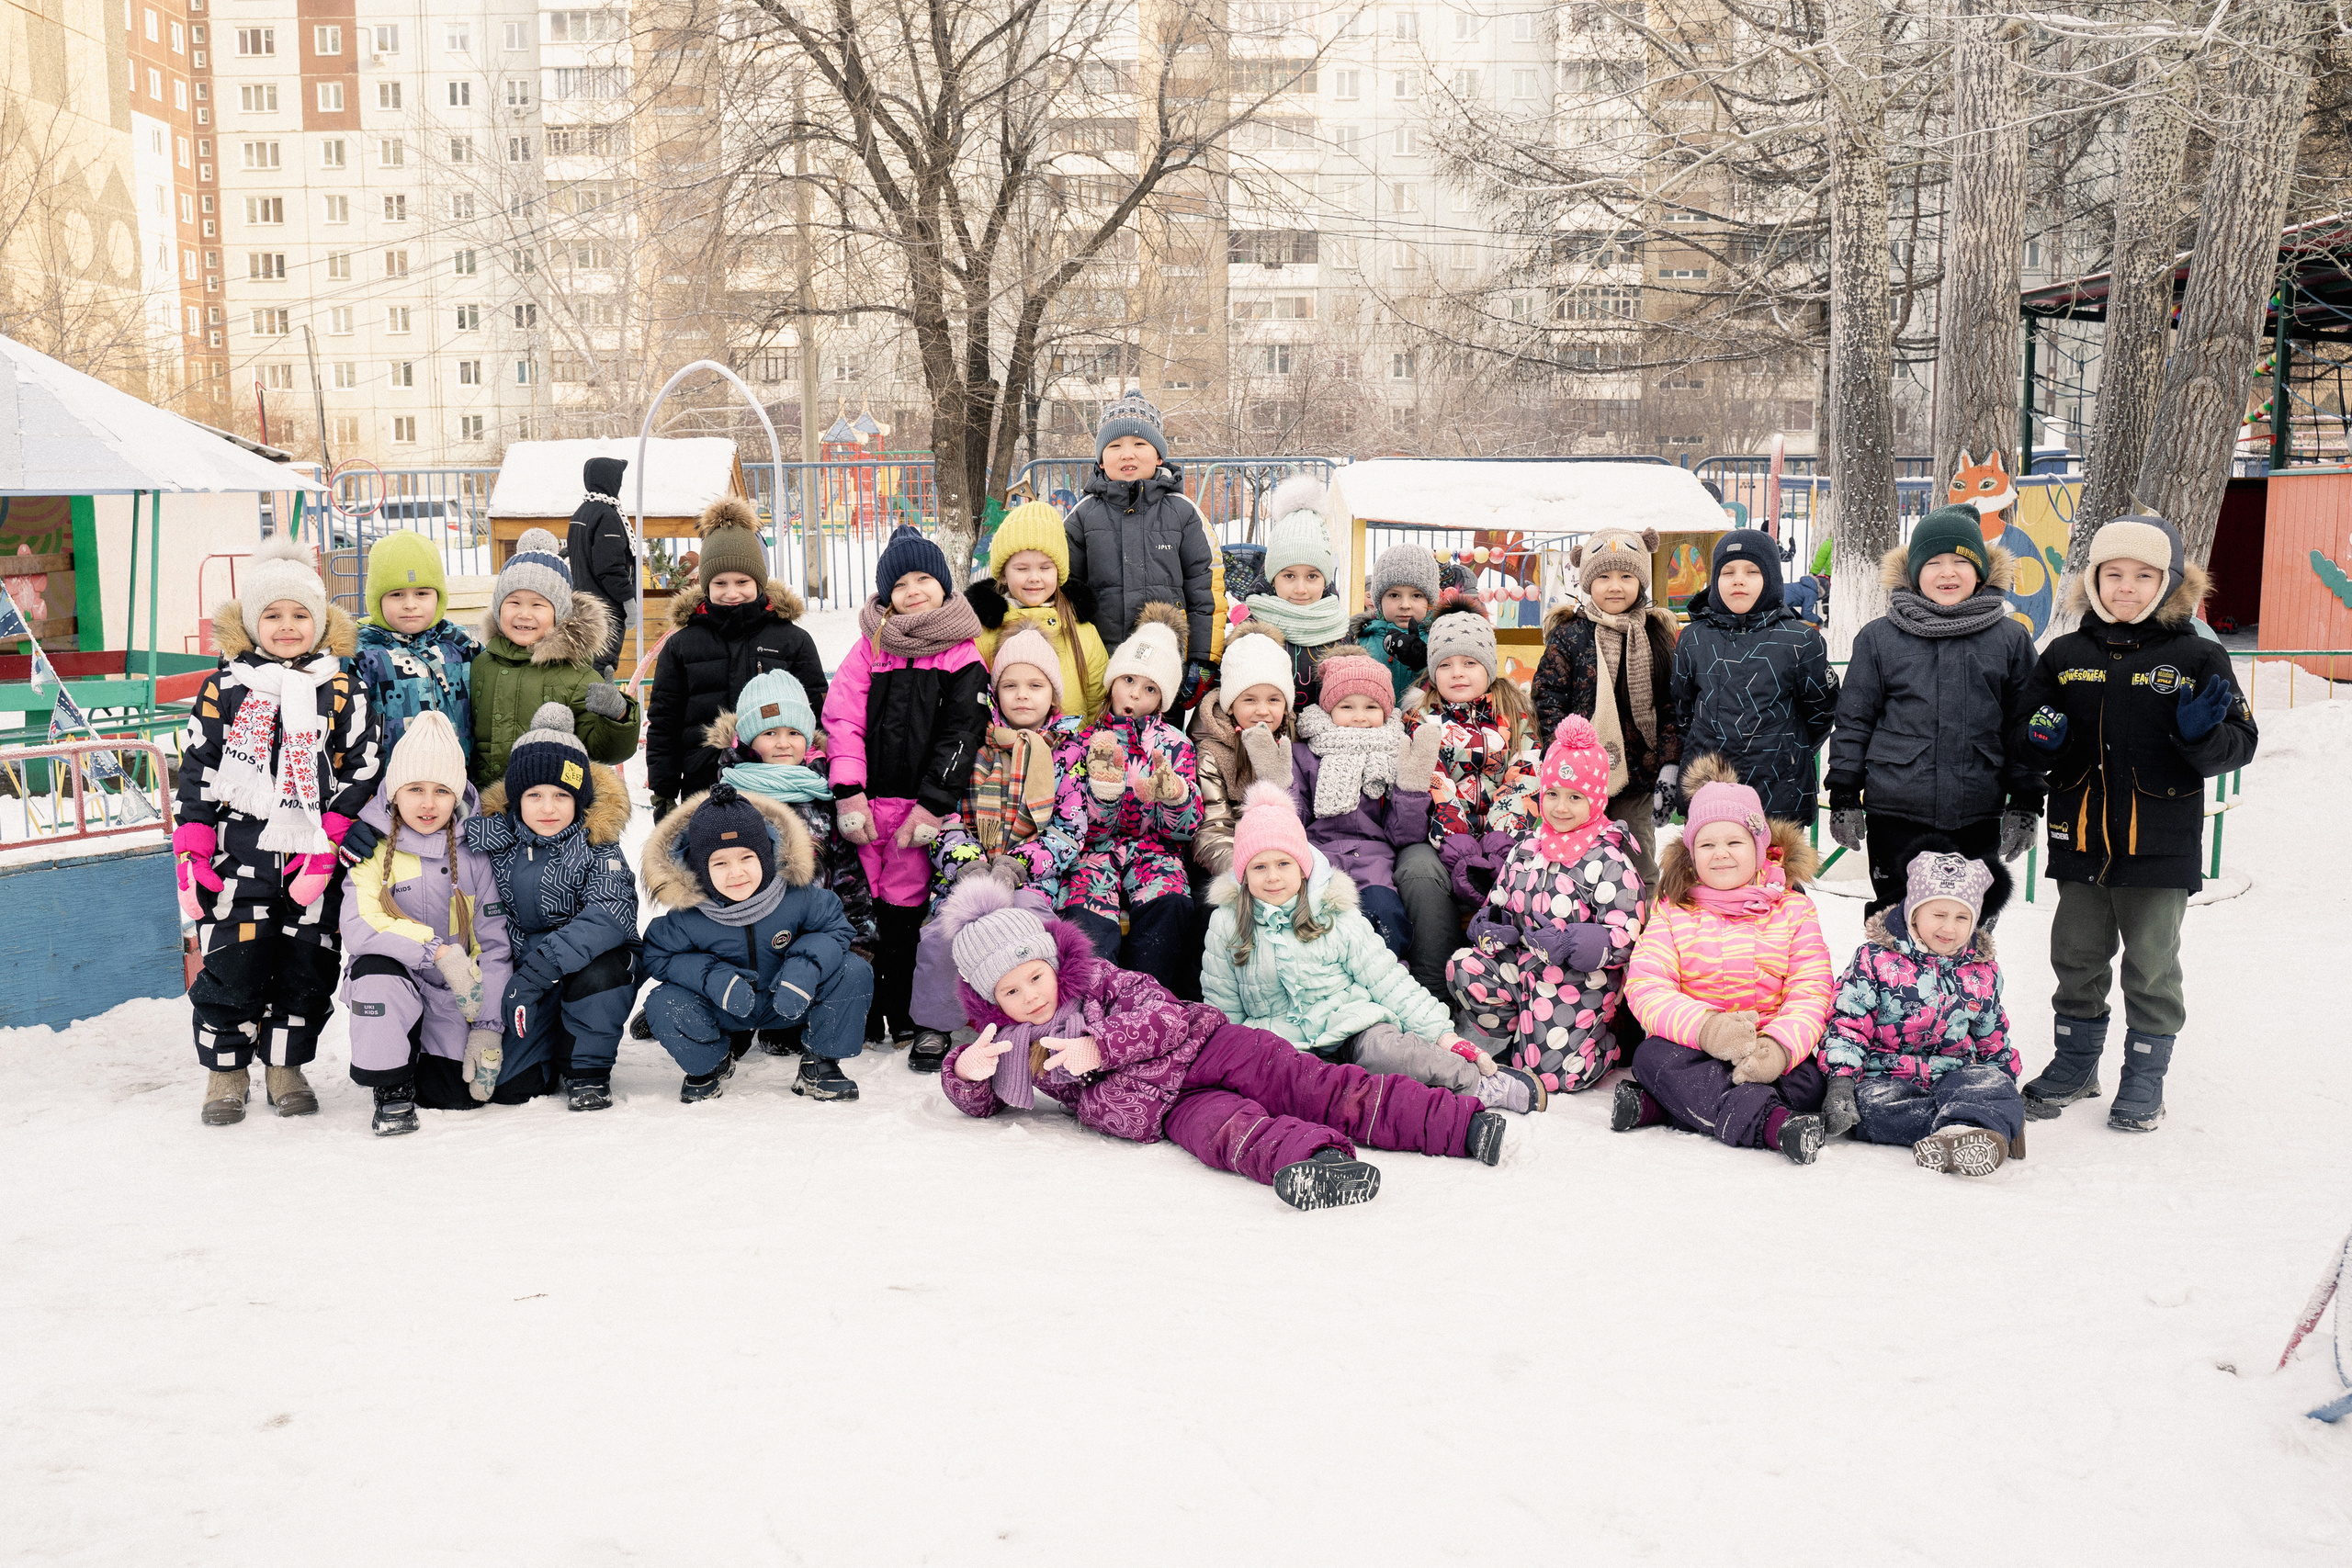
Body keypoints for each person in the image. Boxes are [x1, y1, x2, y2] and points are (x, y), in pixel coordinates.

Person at [931, 877, 1510, 1211]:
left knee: (1322, 1088)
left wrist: (1101, 1046)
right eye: (1010, 991)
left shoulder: (1102, 981)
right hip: (1166, 1108)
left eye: (1035, 975)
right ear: (990, 1001)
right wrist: (968, 1071)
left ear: (1053, 960)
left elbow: (1167, 1015)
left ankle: (1459, 1125)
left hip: (1213, 1048)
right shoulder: (1010, 1046)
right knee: (1230, 1136)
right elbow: (982, 1101)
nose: (1030, 996)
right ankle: (1320, 1164)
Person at [2010, 513, 2257, 1133]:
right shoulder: (2065, 654)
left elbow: (2241, 741)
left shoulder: (2199, 654)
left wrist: (2202, 736)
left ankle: (2145, 1078)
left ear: (2169, 583)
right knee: (2076, 956)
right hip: (2082, 838)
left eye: (2143, 576)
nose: (2126, 587)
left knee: (2151, 965)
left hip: (2159, 844)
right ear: (2092, 581)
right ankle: (2075, 1064)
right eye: (2112, 574)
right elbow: (2025, 732)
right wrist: (2041, 739)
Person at [175, 537, 383, 1126]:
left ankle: (285, 1066)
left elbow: (362, 764)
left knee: (305, 963)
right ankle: (226, 1069)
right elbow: (199, 768)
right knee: (233, 962)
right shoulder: (224, 687)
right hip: (236, 851)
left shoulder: (341, 687)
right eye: (272, 615)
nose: (287, 626)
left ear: (318, 623)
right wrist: (193, 843)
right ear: (251, 621)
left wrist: (331, 838)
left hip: (312, 852)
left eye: (300, 615)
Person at [1206, 782, 1541, 1112]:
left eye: (1284, 864)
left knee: (1392, 1052)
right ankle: (1398, 1108)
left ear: (1303, 868)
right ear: (1242, 875)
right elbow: (1223, 1006)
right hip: (1284, 1042)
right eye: (1259, 867)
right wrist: (1231, 1059)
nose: (1273, 878)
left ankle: (1478, 1082)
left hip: (1354, 1025)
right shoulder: (1227, 926)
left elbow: (1387, 980)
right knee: (1298, 1084)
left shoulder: (1334, 914)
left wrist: (1443, 1035)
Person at [1824, 506, 2043, 917]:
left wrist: (2026, 800)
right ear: (1914, 572)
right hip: (1896, 810)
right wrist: (1844, 795)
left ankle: (1966, 983)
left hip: (1976, 810)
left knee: (1965, 921)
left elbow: (2024, 725)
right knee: (1895, 917)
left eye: (1961, 561)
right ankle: (1886, 982)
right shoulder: (1880, 638)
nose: (1948, 572)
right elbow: (1854, 720)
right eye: (1934, 562)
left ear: (1980, 571)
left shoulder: (2010, 639)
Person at [1614, 757, 1834, 1165]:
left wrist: (1780, 1047)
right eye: (1707, 844)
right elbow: (1647, 986)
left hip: (1765, 1047)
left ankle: (1670, 1106)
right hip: (1696, 1045)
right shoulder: (1673, 909)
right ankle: (1771, 1123)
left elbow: (1813, 989)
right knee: (1651, 1059)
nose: (1721, 855)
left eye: (1734, 843)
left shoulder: (1794, 910)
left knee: (1810, 1080)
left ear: (1758, 847)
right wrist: (1708, 1028)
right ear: (1691, 853)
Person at [819, 525, 989, 1049]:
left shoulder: (963, 657)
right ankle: (862, 1009)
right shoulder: (870, 648)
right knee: (859, 906)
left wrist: (933, 806)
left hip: (919, 808)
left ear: (943, 585)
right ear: (886, 597)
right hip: (867, 804)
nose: (913, 590)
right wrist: (848, 790)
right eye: (900, 585)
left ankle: (906, 1012)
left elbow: (962, 736)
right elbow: (841, 719)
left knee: (904, 909)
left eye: (924, 579)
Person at [902, 625, 1089, 1070]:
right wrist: (965, 862)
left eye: (1035, 685)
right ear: (995, 692)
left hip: (1029, 876)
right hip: (969, 873)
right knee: (940, 935)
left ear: (1053, 695)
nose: (1022, 696)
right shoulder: (973, 743)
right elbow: (944, 811)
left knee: (1033, 934)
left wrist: (1019, 864)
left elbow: (1070, 828)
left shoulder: (1067, 753)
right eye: (1010, 685)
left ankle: (1038, 1020)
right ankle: (935, 1023)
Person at [1448, 716, 1645, 1097]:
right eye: (1553, 794)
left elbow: (1627, 934)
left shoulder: (1609, 859)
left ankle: (1607, 1045)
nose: (1560, 807)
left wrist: (1577, 944)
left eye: (1575, 797)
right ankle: (1523, 1037)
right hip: (1522, 965)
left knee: (1553, 1080)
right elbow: (1500, 898)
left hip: (1577, 979)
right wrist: (1491, 924)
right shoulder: (1527, 846)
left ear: (1596, 799)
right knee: (1464, 967)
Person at [639, 783, 874, 1103]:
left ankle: (821, 1062)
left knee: (852, 970)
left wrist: (804, 967)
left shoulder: (799, 896)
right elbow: (658, 955)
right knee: (664, 1001)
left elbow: (836, 930)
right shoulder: (688, 917)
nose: (736, 873)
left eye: (746, 857)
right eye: (719, 863)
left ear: (766, 854)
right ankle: (709, 1063)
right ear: (699, 868)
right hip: (726, 1007)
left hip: (790, 999)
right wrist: (713, 978)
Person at [339, 712, 513, 1135]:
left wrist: (488, 1026)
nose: (428, 804)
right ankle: (391, 1087)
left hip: (459, 995)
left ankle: (429, 1054)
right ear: (394, 792)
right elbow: (360, 925)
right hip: (400, 981)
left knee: (455, 1096)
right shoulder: (373, 847)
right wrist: (435, 950)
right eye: (415, 789)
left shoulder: (476, 853)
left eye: (441, 791)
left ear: (458, 796)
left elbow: (495, 945)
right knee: (373, 973)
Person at [462, 705, 639, 1110]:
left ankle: (587, 1070)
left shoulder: (597, 847)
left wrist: (538, 971)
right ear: (516, 798)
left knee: (599, 974)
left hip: (586, 968)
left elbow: (610, 914)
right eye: (534, 795)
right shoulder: (495, 846)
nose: (548, 808)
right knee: (512, 1088)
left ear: (580, 799)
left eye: (562, 795)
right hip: (527, 974)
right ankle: (552, 1044)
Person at [1821, 841, 2024, 1177]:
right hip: (1886, 1072)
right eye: (1939, 915)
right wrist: (1841, 1080)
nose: (1949, 928)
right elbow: (1848, 1023)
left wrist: (2003, 1082)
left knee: (1989, 1087)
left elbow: (1993, 1033)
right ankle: (1967, 1128)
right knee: (1872, 1106)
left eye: (1962, 917)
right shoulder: (1875, 960)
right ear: (1913, 912)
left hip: (1955, 1072)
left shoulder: (1981, 970)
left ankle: (1970, 1127)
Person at [1391, 595, 1541, 1001]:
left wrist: (1502, 834)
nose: (1457, 673)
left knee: (1529, 872)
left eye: (1469, 663)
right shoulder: (1420, 720)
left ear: (1488, 666)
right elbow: (1430, 778)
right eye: (1445, 664)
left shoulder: (1516, 713)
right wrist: (1454, 837)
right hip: (1441, 836)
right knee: (1421, 876)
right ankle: (1434, 989)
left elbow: (1526, 769)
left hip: (1506, 834)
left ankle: (1519, 986)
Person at [645, 496, 828, 816]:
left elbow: (817, 711)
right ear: (705, 586)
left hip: (779, 787)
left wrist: (821, 769)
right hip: (703, 783)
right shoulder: (683, 645)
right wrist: (663, 789)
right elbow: (665, 721)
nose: (732, 593)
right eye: (720, 583)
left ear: (759, 582)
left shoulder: (791, 640)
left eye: (743, 582)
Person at [1062, 603, 1203, 996]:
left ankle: (1150, 1001)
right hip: (1094, 855)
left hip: (1154, 853)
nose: (1135, 694)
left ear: (1163, 700)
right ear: (1111, 682)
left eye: (1150, 688)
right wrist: (1103, 797)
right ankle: (1096, 1004)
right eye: (1128, 680)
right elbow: (1077, 825)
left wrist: (1174, 798)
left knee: (1172, 905)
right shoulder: (1083, 741)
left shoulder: (1176, 746)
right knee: (1087, 920)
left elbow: (1187, 831)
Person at [1531, 525, 1681, 886]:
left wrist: (1669, 763)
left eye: (1627, 576)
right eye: (1604, 576)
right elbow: (1547, 695)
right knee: (1576, 852)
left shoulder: (1656, 635)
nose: (1615, 586)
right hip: (1578, 776)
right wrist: (1561, 751)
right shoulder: (1570, 635)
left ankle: (1644, 928)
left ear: (1641, 581)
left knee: (1635, 854)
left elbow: (1672, 703)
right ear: (1587, 582)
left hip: (1637, 774)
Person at [705, 666, 878, 973]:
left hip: (815, 937)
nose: (783, 743)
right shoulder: (730, 798)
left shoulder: (824, 796)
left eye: (793, 733)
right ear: (748, 738)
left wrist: (859, 940)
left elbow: (847, 876)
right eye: (770, 733)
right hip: (748, 943)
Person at [1670, 528, 1838, 825]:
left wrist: (1789, 750)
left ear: (1771, 578)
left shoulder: (1800, 641)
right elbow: (1682, 710)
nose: (1738, 579)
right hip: (1710, 795)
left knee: (1776, 872)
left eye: (1752, 570)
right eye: (1727, 572)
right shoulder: (1693, 639)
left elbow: (1821, 712)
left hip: (1780, 795)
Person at [1061, 393, 1216, 708]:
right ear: (1101, 460)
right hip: (1104, 659)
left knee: (1162, 745)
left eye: (1139, 444)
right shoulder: (1083, 516)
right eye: (1115, 446)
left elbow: (1206, 587)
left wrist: (1202, 658)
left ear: (1159, 455)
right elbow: (1065, 589)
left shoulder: (1183, 513)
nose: (1127, 453)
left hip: (1165, 664)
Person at [1290, 649, 1442, 956]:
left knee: (1385, 915)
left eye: (1371, 706)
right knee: (1317, 923)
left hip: (1374, 861)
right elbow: (1295, 818)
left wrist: (1411, 791)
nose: (1359, 716)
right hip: (1319, 858)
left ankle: (1389, 978)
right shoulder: (1305, 755)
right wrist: (1282, 785)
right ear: (1329, 708)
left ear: (1386, 711)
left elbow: (1404, 835)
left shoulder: (1395, 753)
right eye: (1347, 706)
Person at [469, 529, 639, 786]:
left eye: (538, 605)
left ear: (559, 613)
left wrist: (618, 716)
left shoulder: (577, 675)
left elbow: (606, 752)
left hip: (549, 811)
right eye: (513, 602)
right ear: (498, 608)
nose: (524, 614)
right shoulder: (481, 665)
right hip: (485, 811)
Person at [967, 499, 1110, 723]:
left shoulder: (1082, 631)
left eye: (1045, 567)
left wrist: (1088, 744)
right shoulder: (984, 631)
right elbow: (973, 698)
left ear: (1058, 572)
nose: (1034, 577)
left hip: (1072, 751)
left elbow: (1097, 702)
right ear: (1003, 574)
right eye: (1022, 568)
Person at [349, 528, 481, 772]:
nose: (410, 605)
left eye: (422, 593)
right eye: (397, 594)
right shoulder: (360, 655)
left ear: (438, 597)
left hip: (457, 778)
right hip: (389, 785)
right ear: (376, 599)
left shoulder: (461, 644)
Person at [1186, 618, 1296, 882]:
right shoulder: (1212, 752)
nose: (1262, 710)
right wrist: (1244, 871)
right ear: (1231, 705)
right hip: (1233, 861)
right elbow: (1213, 827)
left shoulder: (1296, 744)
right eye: (1249, 700)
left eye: (1273, 700)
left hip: (1286, 857)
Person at [1240, 476, 1351, 709]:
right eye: (1289, 576)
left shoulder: (1341, 631)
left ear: (1326, 579)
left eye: (1312, 576)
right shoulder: (1252, 633)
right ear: (1272, 577)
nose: (1301, 589)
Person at [565, 455, 638, 673]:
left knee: (586, 666)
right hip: (605, 609)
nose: (621, 484)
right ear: (609, 480)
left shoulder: (583, 510)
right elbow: (610, 567)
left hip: (584, 604)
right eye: (619, 478)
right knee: (601, 668)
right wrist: (627, 600)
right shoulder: (607, 515)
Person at [1351, 541, 1442, 705]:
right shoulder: (1359, 641)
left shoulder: (1441, 641)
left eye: (1416, 596)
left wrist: (1425, 664)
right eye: (1394, 595)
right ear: (1379, 600)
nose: (1405, 605)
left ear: (1430, 600)